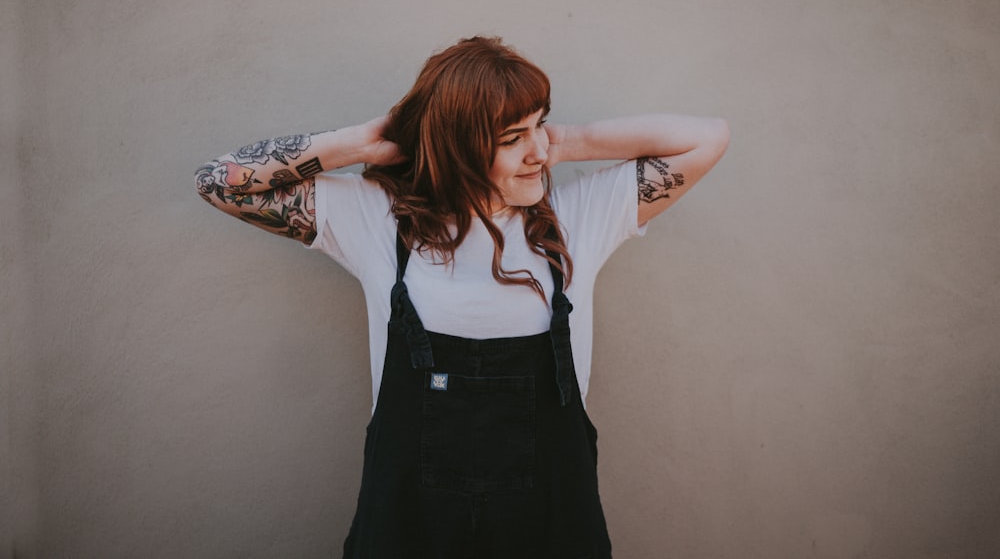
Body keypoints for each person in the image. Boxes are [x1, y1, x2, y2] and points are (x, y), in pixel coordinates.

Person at [195, 36, 729, 558]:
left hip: (551, 527)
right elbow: (219, 182)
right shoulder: (381, 223)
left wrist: (563, 142)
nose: (537, 152)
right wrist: (359, 144)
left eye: (538, 125)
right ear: (458, 147)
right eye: (511, 138)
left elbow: (709, 137)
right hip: (409, 529)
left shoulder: (575, 221)